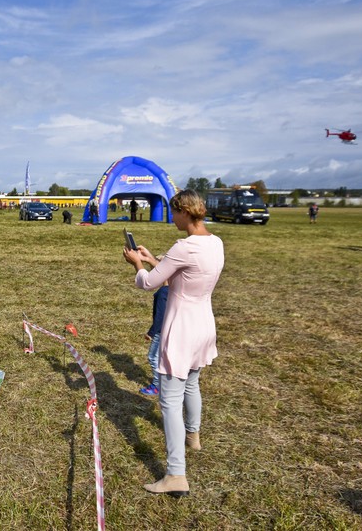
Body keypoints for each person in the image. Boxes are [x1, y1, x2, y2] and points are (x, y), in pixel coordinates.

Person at [123, 189, 224, 497]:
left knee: (169, 401)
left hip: (181, 328)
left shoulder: (184, 246)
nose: (172, 218)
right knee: (192, 384)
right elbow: (178, 275)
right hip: (204, 325)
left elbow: (149, 283)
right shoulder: (215, 242)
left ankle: (176, 474)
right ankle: (193, 435)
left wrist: (136, 265)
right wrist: (153, 258)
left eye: (174, 212)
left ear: (183, 212)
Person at [140, 276, 168, 396]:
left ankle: (157, 386)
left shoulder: (164, 291)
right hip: (171, 329)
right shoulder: (177, 289)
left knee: (153, 357)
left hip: (160, 331)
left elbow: (160, 316)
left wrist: (151, 333)